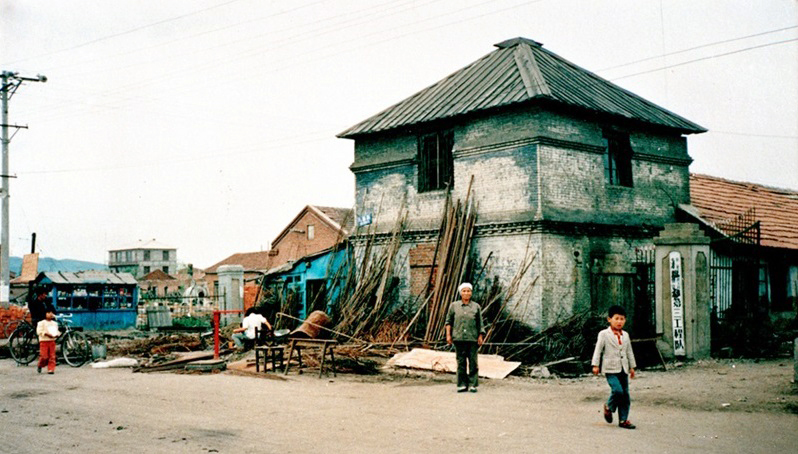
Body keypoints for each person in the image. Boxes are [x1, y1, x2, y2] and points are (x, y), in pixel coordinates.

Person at [591, 305, 637, 429]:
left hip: (623, 368)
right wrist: (595, 365)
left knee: (625, 395)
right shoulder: (604, 334)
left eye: (622, 319)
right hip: (610, 368)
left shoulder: (625, 335)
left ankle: (623, 419)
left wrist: (632, 367)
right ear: (609, 319)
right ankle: (609, 406)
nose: (619, 322)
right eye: (616, 318)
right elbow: (598, 349)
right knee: (617, 391)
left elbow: (629, 351)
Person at [445, 282, 485, 393]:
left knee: (473, 362)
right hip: (458, 338)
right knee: (461, 362)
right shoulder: (454, 306)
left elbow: (480, 323)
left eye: (468, 291)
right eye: (464, 291)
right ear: (460, 293)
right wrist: (448, 335)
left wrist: (480, 336)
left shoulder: (476, 307)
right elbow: (448, 322)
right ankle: (462, 384)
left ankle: (472, 384)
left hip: (472, 339)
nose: (466, 293)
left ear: (471, 293)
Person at [36, 308, 60, 374]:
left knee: (52, 356)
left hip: (52, 341)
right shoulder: (41, 323)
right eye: (49, 313)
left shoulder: (54, 323)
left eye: (52, 313)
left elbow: (57, 331)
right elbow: (39, 331)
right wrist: (47, 334)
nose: (51, 314)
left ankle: (51, 369)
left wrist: (57, 334)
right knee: (44, 356)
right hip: (44, 341)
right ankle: (40, 364)